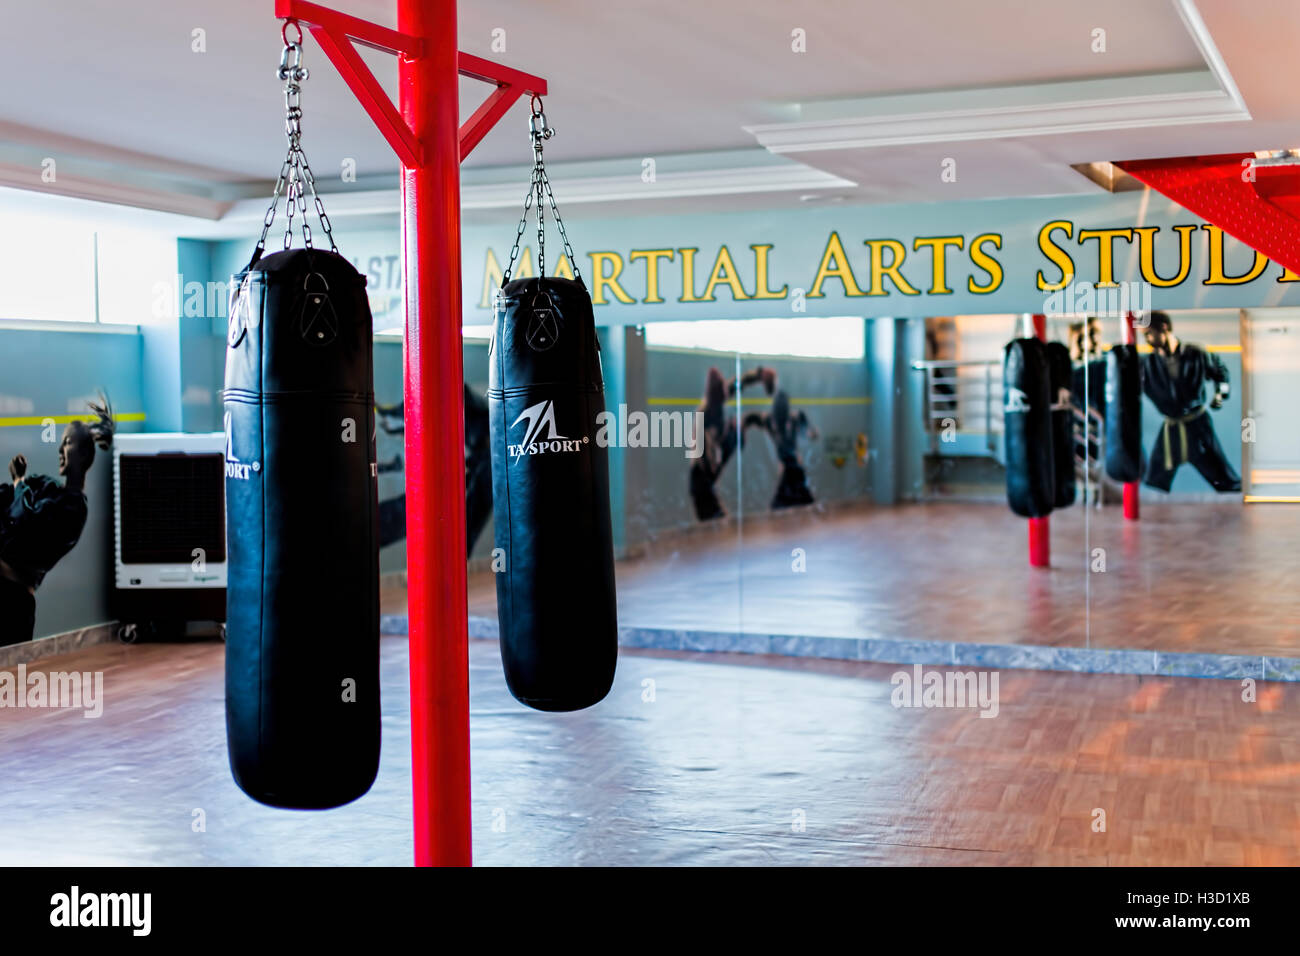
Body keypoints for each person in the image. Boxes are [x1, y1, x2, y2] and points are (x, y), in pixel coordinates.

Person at [0, 396, 115, 646]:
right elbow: (8, 499)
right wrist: (18, 488)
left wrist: (19, 482)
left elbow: (25, 520)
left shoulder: (73, 510)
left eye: (67, 443)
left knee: (10, 673)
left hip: (12, 602)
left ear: (84, 454)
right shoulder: (47, 486)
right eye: (61, 443)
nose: (60, 450)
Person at [1140, 311, 1240, 493]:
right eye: (1144, 335)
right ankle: (1154, 515)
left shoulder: (1197, 354)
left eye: (1148, 333)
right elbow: (1133, 388)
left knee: (1223, 476)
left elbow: (1221, 375)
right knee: (1155, 479)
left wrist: (1220, 394)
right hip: (1171, 428)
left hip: (1198, 426)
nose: (1146, 339)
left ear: (1163, 327)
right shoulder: (1147, 364)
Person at [688, 365, 766, 521]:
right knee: (716, 522)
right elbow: (708, 455)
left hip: (705, 480)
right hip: (701, 483)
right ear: (717, 395)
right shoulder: (706, 416)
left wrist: (757, 375)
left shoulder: (716, 400)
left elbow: (738, 383)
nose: (726, 394)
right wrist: (735, 431)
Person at [742, 367, 820, 509]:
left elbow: (806, 425)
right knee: (785, 502)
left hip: (794, 466)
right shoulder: (771, 421)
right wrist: (742, 427)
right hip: (789, 467)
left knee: (791, 501)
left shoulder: (793, 418)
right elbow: (752, 418)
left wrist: (811, 432)